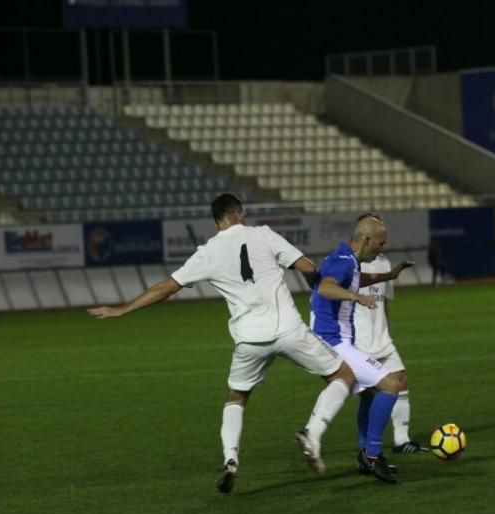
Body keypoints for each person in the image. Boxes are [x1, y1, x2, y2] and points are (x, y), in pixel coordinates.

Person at [87, 193, 357, 494]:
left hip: (249, 339)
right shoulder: (263, 234)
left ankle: (231, 460)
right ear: (239, 213)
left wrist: (123, 309)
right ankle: (313, 434)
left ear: (216, 220)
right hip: (288, 330)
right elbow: (307, 266)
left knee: (236, 398)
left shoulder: (208, 252)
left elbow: (167, 287)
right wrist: (316, 288)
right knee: (343, 376)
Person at [310, 212, 413, 483]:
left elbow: (358, 280)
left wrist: (388, 275)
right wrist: (355, 297)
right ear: (366, 240)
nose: (382, 248)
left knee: (369, 395)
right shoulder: (340, 261)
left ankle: (366, 453)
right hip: (332, 341)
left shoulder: (350, 262)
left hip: (336, 340)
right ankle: (372, 456)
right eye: (380, 243)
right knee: (391, 385)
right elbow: (325, 287)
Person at [356, 250, 426, 455]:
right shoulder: (353, 262)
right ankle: (365, 448)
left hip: (382, 337)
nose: (381, 242)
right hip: (360, 338)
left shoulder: (384, 262)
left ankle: (402, 440)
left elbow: (384, 301)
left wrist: (387, 330)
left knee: (401, 379)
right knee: (369, 395)